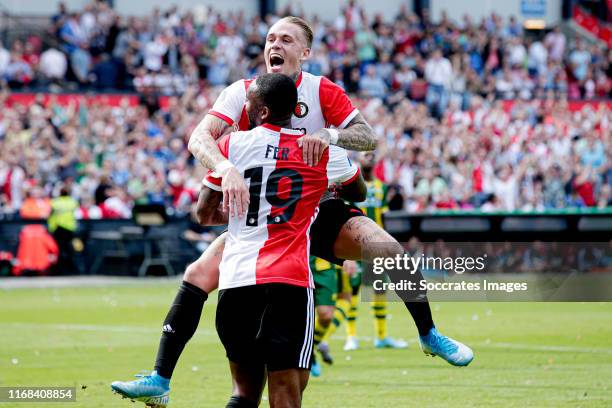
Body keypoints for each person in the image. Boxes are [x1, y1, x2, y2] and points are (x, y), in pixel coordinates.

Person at [111, 16, 472, 408]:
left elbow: (367, 137)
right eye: (269, 38)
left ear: (305, 52)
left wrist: (329, 136)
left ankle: (428, 333)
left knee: (386, 249)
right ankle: (160, 378)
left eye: (286, 39)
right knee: (198, 275)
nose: (274, 45)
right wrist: (226, 169)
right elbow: (199, 137)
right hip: (268, 216)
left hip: (318, 204)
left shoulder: (321, 90)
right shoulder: (244, 92)